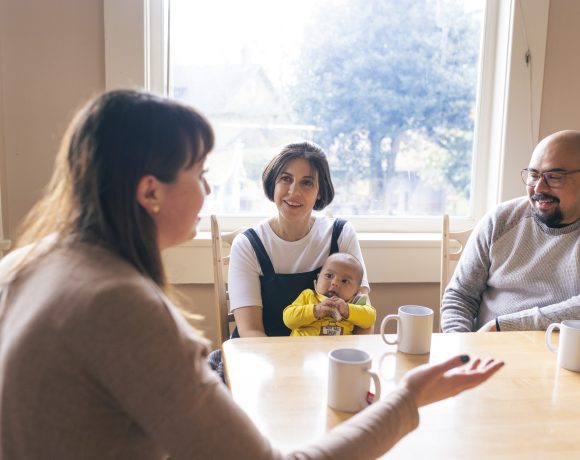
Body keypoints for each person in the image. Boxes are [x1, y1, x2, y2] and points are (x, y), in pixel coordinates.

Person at [0, 89, 505, 459]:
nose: (209, 191)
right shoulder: (120, 305)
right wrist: (407, 400)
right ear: (150, 192)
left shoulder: (27, 263)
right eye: (199, 174)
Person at [441, 130, 580, 333]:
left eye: (554, 177)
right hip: (488, 354)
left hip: (562, 357)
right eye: (533, 175)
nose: (539, 187)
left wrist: (503, 326)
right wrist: (462, 350)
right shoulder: (500, 221)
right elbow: (460, 296)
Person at [228, 141, 372, 338]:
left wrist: (347, 363)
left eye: (307, 182)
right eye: (286, 179)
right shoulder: (248, 245)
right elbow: (250, 330)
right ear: (273, 182)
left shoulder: (341, 235)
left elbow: (364, 319)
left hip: (330, 359)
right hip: (264, 357)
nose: (294, 192)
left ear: (320, 191)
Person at [283, 253, 375, 336]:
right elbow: (288, 319)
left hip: (338, 352)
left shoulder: (355, 302)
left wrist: (347, 310)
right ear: (317, 280)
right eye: (329, 276)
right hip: (304, 350)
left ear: (356, 290)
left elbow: (370, 318)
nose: (335, 283)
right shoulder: (308, 295)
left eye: (344, 281)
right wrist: (315, 310)